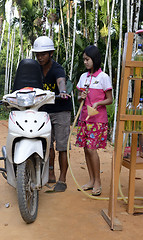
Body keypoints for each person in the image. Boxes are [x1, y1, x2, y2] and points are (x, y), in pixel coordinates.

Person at [32, 36, 72, 192]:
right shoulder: (35, 69)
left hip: (61, 109)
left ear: (51, 53)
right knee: (46, 143)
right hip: (44, 110)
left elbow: (61, 81)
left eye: (43, 54)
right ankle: (50, 173)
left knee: (61, 146)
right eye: (38, 54)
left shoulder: (57, 68)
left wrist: (62, 91)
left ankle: (62, 178)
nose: (40, 57)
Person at [76, 45, 113, 196]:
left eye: (87, 59)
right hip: (84, 118)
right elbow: (79, 98)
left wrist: (99, 103)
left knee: (92, 149)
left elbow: (110, 99)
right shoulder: (83, 77)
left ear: (95, 59)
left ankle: (98, 181)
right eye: (84, 59)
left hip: (97, 120)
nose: (85, 62)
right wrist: (81, 97)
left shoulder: (103, 77)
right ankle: (91, 180)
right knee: (86, 148)